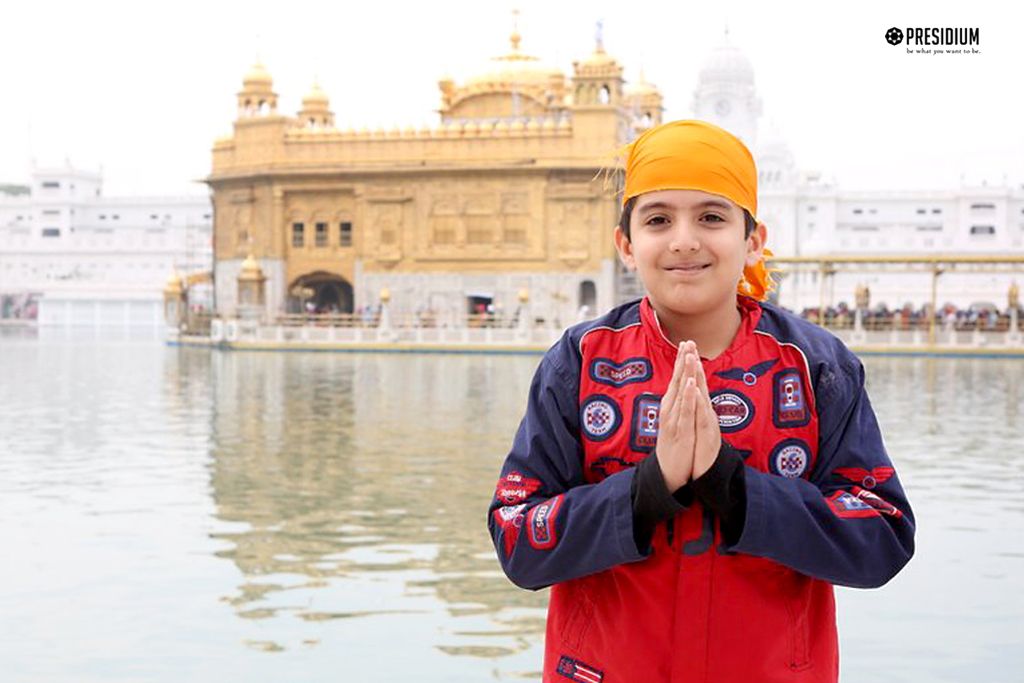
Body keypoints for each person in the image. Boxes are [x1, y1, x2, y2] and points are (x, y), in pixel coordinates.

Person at [486, 119, 915, 683]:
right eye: (658, 219)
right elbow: (518, 538)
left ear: (753, 240)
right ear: (626, 244)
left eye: (712, 217)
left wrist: (733, 488)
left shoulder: (814, 367)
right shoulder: (582, 363)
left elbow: (882, 538)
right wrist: (648, 489)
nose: (684, 240)